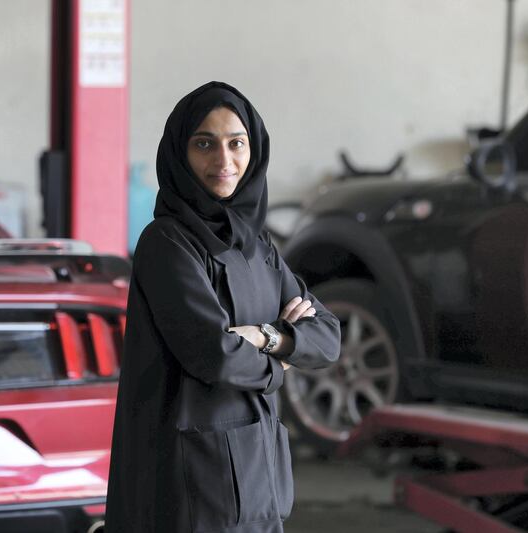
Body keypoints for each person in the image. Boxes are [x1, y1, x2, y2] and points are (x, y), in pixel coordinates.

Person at [105, 81, 341, 533]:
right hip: (187, 485)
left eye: (236, 144)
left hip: (258, 474)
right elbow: (214, 354)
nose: (224, 161)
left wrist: (268, 337)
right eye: (204, 144)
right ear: (180, 153)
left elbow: (327, 336)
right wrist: (284, 363)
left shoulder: (259, 246)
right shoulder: (168, 244)